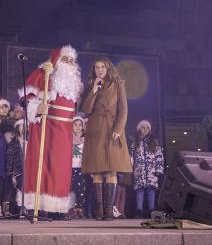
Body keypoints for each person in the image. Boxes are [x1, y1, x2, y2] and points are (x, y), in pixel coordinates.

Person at [18, 44, 83, 214]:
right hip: (47, 128)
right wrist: (36, 108)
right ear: (56, 60)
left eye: (72, 60)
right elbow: (26, 97)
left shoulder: (75, 84)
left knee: (61, 169)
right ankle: (39, 207)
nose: (69, 63)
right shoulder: (44, 74)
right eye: (65, 59)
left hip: (65, 131)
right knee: (44, 165)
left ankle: (59, 207)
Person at [81, 56, 132, 221]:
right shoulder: (91, 85)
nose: (100, 70)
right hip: (95, 131)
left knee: (111, 169)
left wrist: (118, 128)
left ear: (108, 68)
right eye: (97, 67)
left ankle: (109, 211)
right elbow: (86, 109)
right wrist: (94, 89)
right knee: (97, 171)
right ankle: (100, 210)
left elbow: (123, 109)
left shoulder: (118, 84)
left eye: (102, 67)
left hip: (112, 129)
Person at [130, 120, 164, 218]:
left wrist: (159, 170)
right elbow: (131, 156)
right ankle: (139, 209)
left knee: (151, 190)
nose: (145, 129)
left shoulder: (154, 142)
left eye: (147, 128)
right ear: (139, 129)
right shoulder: (135, 142)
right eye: (143, 127)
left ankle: (151, 209)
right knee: (139, 190)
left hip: (151, 171)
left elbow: (159, 156)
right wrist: (131, 168)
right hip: (139, 170)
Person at [3, 118, 24, 216]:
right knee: (17, 189)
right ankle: (15, 209)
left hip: (28, 170)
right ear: (17, 128)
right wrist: (10, 171)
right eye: (22, 126)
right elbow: (10, 157)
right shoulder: (14, 142)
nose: (24, 128)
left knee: (25, 190)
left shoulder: (32, 141)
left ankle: (24, 208)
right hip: (17, 170)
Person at [70, 115, 87, 219]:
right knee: (72, 189)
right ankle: (71, 209)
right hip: (71, 168)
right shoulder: (68, 137)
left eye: (80, 125)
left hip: (81, 167)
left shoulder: (85, 139)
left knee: (81, 189)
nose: (77, 127)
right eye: (75, 124)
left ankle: (80, 209)